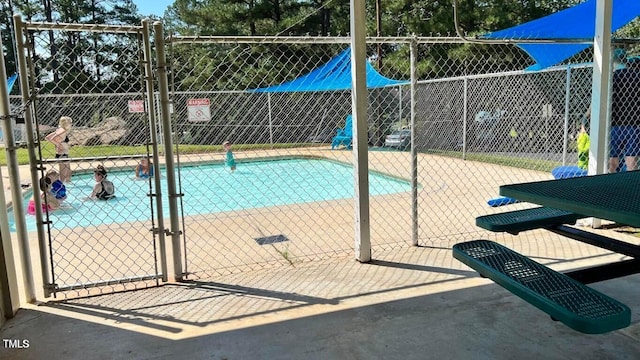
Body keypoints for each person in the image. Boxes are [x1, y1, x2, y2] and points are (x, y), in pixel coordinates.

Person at [609, 51, 640, 172]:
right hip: (634, 122)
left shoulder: (611, 77)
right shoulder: (636, 76)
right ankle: (631, 185)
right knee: (631, 162)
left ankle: (609, 184)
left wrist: (587, 114)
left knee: (612, 161)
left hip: (615, 122)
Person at [45, 116, 73, 182]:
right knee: (63, 174)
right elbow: (51, 138)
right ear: (66, 123)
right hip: (62, 154)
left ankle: (68, 186)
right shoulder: (62, 130)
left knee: (68, 172)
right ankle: (61, 187)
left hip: (64, 154)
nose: (71, 124)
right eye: (70, 123)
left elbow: (47, 137)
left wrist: (58, 144)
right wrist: (58, 144)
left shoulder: (60, 129)